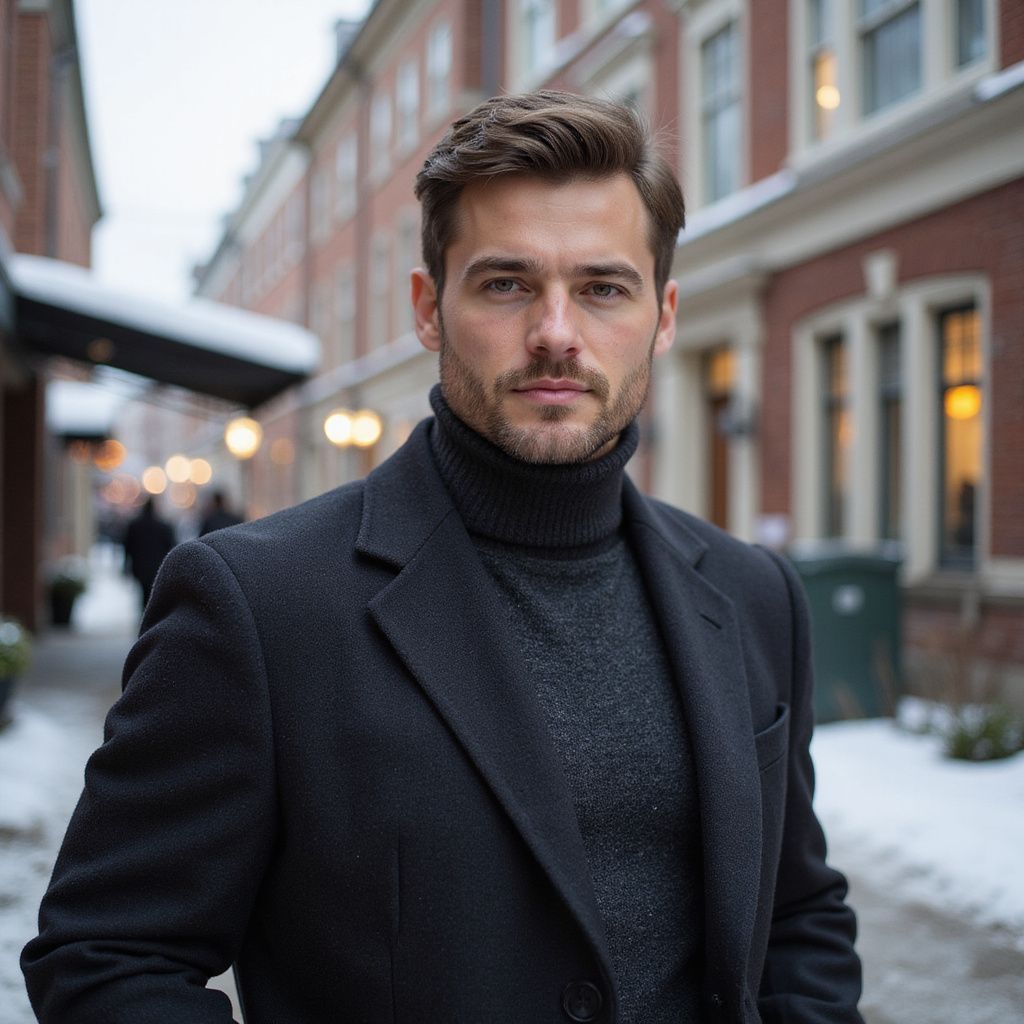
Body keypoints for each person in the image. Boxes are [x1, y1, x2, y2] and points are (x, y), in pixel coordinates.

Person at [23, 92, 863, 1023]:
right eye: (507, 283)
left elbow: (797, 913)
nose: (556, 331)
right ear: (430, 308)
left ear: (662, 316)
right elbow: (109, 955)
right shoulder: (260, 604)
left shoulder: (753, 595)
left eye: (602, 287)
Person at [120, 496, 176, 611]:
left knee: (144, 593)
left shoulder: (134, 526)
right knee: (153, 593)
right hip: (157, 565)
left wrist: (126, 565)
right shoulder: (163, 526)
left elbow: (127, 547)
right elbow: (171, 546)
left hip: (140, 566)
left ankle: (145, 616)